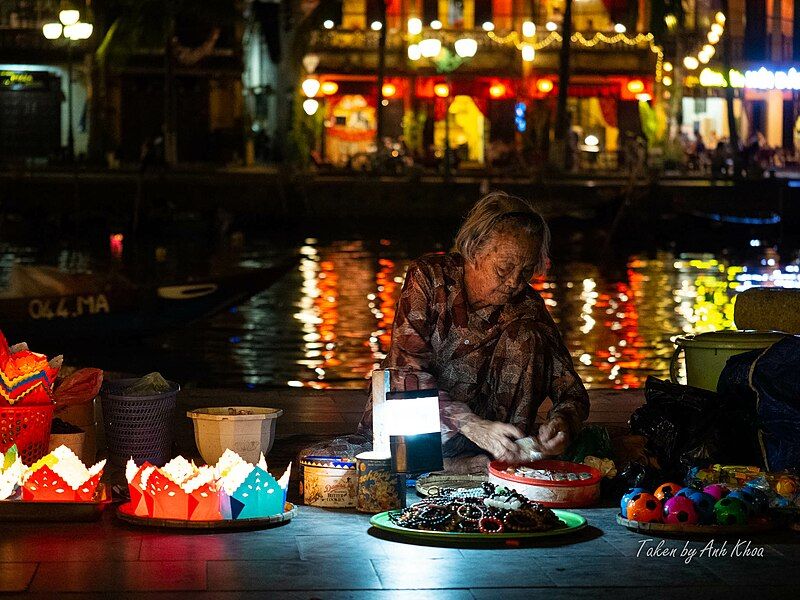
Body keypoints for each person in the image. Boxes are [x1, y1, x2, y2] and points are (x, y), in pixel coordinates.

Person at [359, 192, 590, 472]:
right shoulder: (429, 278)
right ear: (474, 250)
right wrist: (468, 423)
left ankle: (501, 460)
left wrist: (562, 422)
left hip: (491, 440)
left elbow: (571, 391)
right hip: (417, 432)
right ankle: (446, 465)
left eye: (526, 271)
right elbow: (406, 372)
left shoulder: (527, 307)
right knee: (401, 390)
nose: (515, 281)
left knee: (527, 336)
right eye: (504, 268)